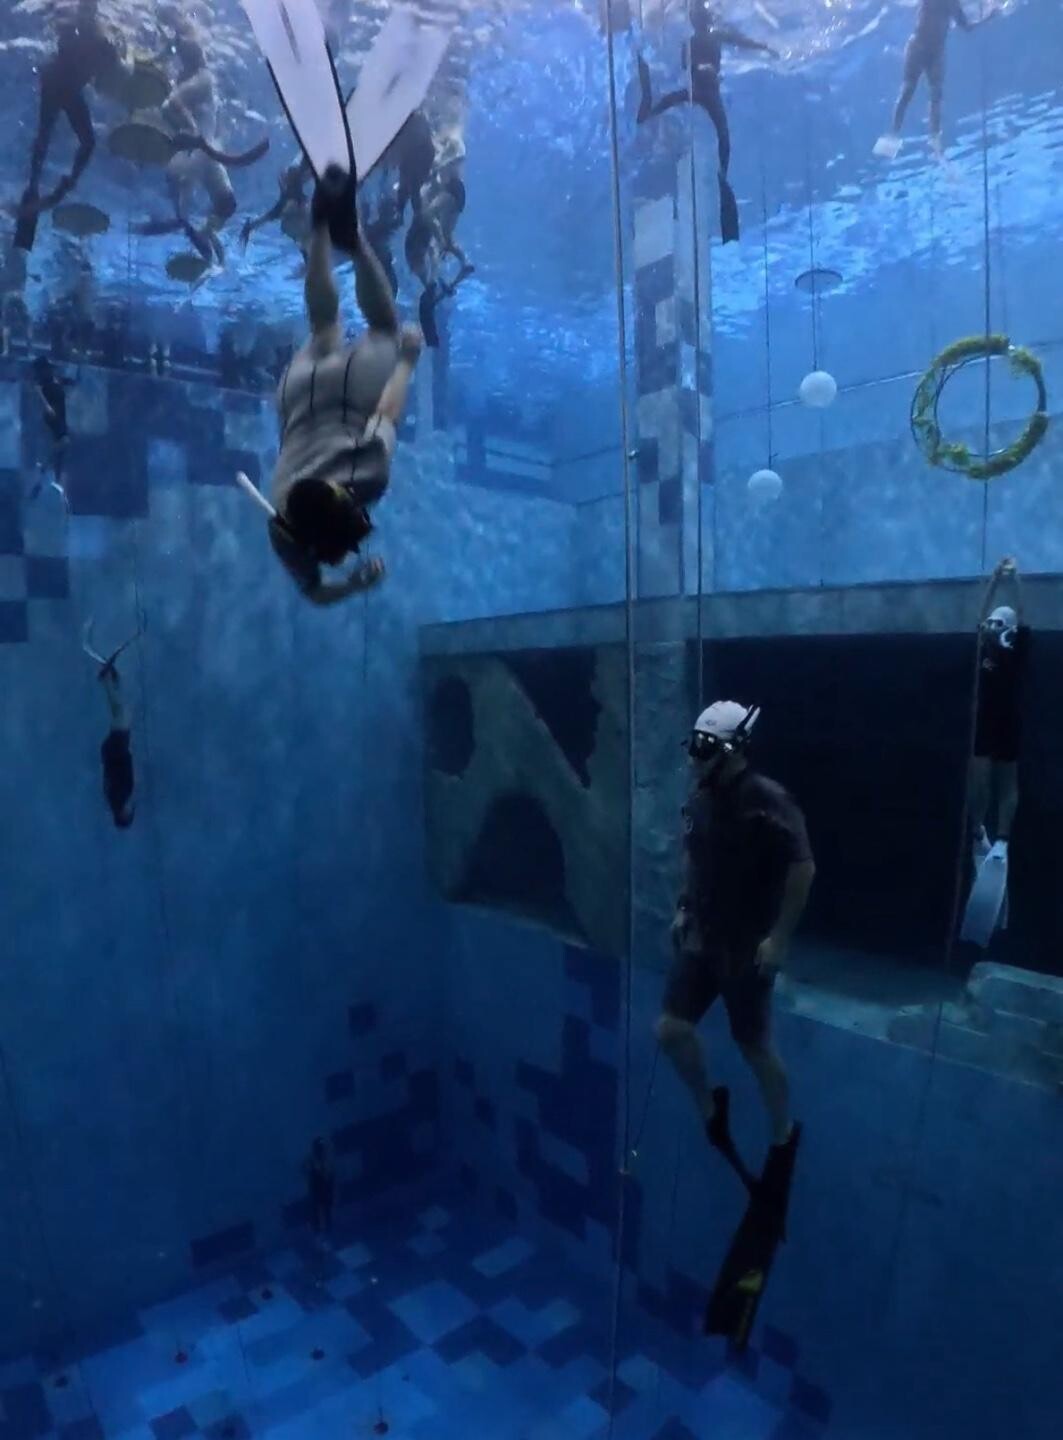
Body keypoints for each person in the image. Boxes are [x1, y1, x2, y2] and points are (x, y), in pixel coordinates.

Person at [655, 701, 815, 1164]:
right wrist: (683, 908)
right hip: (704, 935)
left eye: (704, 746)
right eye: (694, 744)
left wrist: (779, 938)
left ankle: (783, 1134)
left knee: (753, 1046)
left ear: (732, 749)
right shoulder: (701, 799)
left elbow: (803, 868)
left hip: (746, 944)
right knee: (670, 1030)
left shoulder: (767, 799)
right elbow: (694, 858)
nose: (694, 756)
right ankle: (710, 1107)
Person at [256, 164, 422, 605]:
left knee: (385, 328)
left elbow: (386, 413)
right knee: (324, 325)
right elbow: (314, 592)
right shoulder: (282, 527)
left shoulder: (367, 477)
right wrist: (350, 585)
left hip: (349, 400)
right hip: (297, 395)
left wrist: (407, 359)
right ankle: (319, 235)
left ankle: (354, 239)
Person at [636, 1, 777, 243]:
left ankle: (651, 112)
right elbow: (740, 42)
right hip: (706, 91)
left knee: (711, 126)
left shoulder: (696, 40)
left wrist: (763, 47)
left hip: (702, 90)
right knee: (722, 135)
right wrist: (764, 47)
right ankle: (723, 171)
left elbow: (689, 65)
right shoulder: (708, 37)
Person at [13, 0, 126, 253]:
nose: (85, 15)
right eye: (84, 9)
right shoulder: (76, 30)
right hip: (55, 84)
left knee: (76, 140)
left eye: (88, 10)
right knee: (48, 136)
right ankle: (38, 185)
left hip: (64, 87)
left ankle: (56, 183)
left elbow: (113, 69)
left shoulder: (100, 39)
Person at [875, 0, 998, 159]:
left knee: (934, 95)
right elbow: (966, 27)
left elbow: (966, 27)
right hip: (919, 47)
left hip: (934, 52)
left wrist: (987, 18)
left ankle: (934, 136)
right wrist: (987, 18)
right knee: (909, 91)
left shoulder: (953, 4)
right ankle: (894, 134)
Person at [970, 557, 1028, 872]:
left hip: (1008, 719)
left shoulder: (1017, 644)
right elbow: (981, 615)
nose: (991, 625)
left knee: (1007, 780)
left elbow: (1022, 612)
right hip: (985, 719)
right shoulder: (985, 642)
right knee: (979, 780)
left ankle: (1003, 841)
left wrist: (1014, 578)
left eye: (998, 623)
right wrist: (994, 578)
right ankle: (978, 832)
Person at [83, 621, 140, 830]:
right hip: (114, 750)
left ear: (124, 815)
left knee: (122, 714)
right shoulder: (114, 799)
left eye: (129, 813)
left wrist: (124, 754)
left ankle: (107, 679)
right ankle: (108, 680)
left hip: (116, 750)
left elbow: (116, 774)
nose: (130, 809)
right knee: (121, 712)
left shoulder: (118, 797)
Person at [29, 357, 75, 504]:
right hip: (49, 427)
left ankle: (57, 493)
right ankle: (39, 485)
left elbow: (71, 382)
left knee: (59, 461)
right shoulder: (41, 386)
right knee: (53, 453)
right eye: (46, 368)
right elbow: (46, 408)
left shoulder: (55, 382)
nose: (49, 370)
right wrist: (45, 404)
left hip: (60, 425)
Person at [304, 1137, 336, 1237]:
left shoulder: (326, 1161)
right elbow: (311, 1175)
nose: (322, 1151)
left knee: (326, 1212)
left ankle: (326, 1232)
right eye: (320, 1148)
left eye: (322, 1148)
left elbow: (330, 1176)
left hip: (325, 1191)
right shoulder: (312, 1161)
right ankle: (318, 1232)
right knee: (317, 1212)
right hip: (317, 1191)